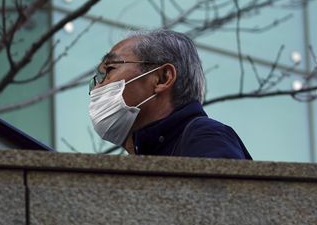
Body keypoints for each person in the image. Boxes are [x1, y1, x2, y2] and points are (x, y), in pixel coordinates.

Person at [88, 28, 252, 159]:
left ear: (162, 78)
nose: (97, 87)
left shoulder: (206, 138)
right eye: (96, 78)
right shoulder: (149, 156)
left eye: (109, 69)